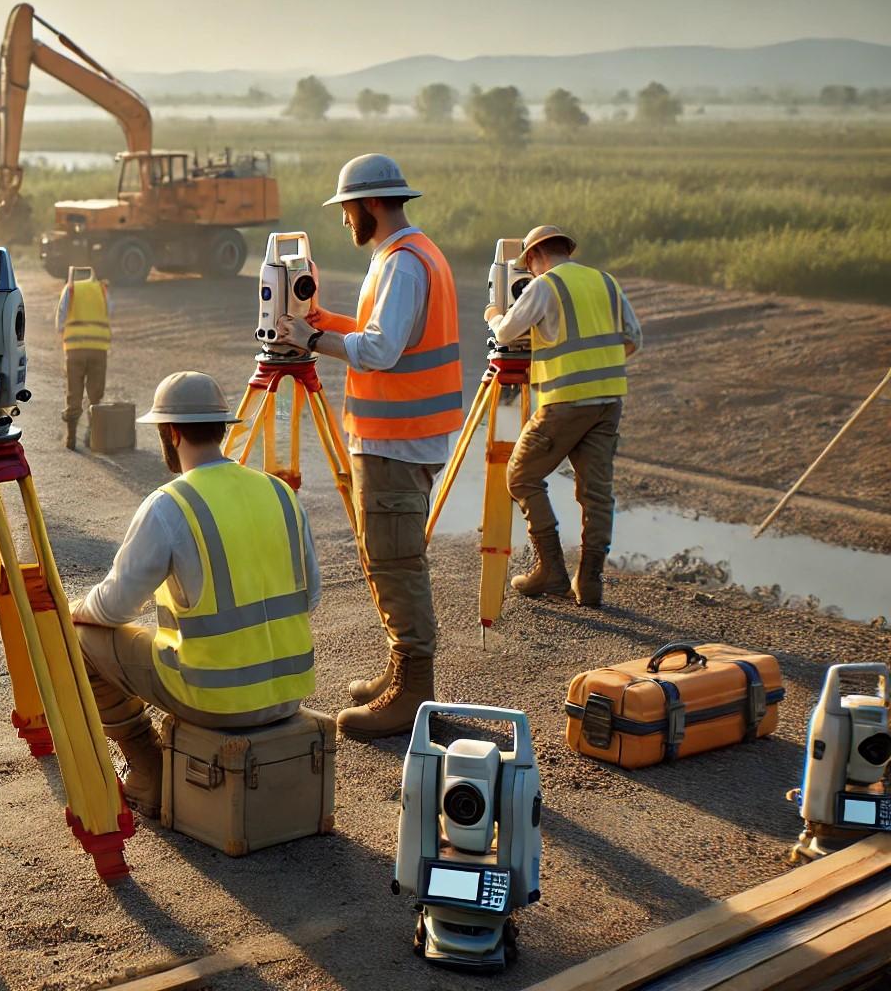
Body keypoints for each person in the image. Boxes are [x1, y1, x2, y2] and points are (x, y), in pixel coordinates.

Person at [71, 372, 321, 819]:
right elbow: (311, 595)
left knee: (81, 639)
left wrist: (77, 611)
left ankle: (149, 772)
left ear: (171, 432)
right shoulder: (280, 493)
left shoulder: (170, 505)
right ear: (222, 428)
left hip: (216, 699)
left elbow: (115, 606)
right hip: (287, 693)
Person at [285, 153, 464, 742]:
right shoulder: (406, 255)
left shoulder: (403, 265)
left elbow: (381, 351)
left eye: (346, 210)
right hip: (400, 437)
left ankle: (413, 693)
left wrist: (312, 338)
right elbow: (378, 334)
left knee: (395, 562)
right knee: (388, 559)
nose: (343, 221)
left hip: (398, 441)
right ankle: (400, 673)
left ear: (369, 205)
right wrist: (323, 320)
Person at [487, 225, 641, 608]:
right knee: (596, 492)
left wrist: (493, 314)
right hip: (608, 401)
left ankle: (550, 569)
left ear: (534, 257)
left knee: (521, 476)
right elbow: (633, 337)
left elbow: (506, 333)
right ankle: (590, 583)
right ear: (564, 250)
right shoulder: (605, 282)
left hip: (565, 400)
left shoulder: (545, 286)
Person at [56, 267, 111, 449]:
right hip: (98, 349)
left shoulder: (70, 289)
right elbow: (109, 311)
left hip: (75, 349)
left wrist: (65, 334)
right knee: (95, 394)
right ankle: (91, 435)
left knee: (74, 392)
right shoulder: (102, 289)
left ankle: (71, 437)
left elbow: (61, 318)